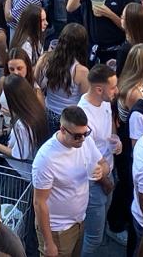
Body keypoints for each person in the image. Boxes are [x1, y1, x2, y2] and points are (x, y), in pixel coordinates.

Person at [30, 105, 105, 257]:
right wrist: (48, 243)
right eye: (77, 136)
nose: (82, 139)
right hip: (57, 230)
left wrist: (102, 170)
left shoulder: (85, 141)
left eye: (86, 133)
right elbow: (39, 203)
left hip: (79, 222)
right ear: (63, 129)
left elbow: (104, 163)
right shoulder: (46, 158)